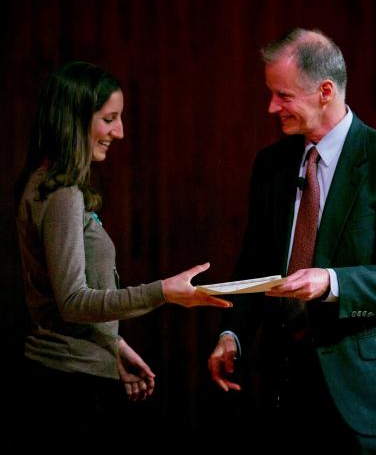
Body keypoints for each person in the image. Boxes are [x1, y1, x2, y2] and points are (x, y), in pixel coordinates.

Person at [208, 28, 376, 453]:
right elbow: (256, 261)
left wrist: (331, 283)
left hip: (369, 399)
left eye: (283, 96)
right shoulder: (271, 165)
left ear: (325, 91)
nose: (272, 107)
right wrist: (233, 334)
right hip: (287, 393)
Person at [14, 61, 232, 451]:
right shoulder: (62, 193)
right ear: (75, 119)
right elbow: (73, 302)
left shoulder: (51, 184)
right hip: (68, 388)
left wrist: (115, 346)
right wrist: (163, 291)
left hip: (72, 376)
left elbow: (64, 301)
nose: (120, 132)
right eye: (109, 119)